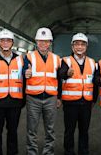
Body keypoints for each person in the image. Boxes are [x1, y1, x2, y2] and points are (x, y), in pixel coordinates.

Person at [23, 27, 62, 155]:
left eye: (46, 41)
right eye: (40, 41)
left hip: (51, 98)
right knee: (31, 129)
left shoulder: (57, 59)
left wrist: (59, 97)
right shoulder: (28, 57)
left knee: (50, 129)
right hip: (33, 98)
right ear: (36, 42)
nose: (43, 44)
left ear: (50, 42)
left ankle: (48, 152)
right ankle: (32, 152)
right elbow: (23, 71)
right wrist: (25, 72)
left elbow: (60, 78)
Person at [58, 33, 98, 155]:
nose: (79, 47)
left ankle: (83, 151)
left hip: (86, 102)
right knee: (69, 130)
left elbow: (95, 81)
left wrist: (94, 100)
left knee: (84, 130)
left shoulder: (92, 63)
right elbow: (61, 74)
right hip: (70, 103)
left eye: (82, 44)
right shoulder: (65, 61)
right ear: (72, 46)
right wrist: (67, 73)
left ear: (86, 46)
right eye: (77, 44)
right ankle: (68, 152)